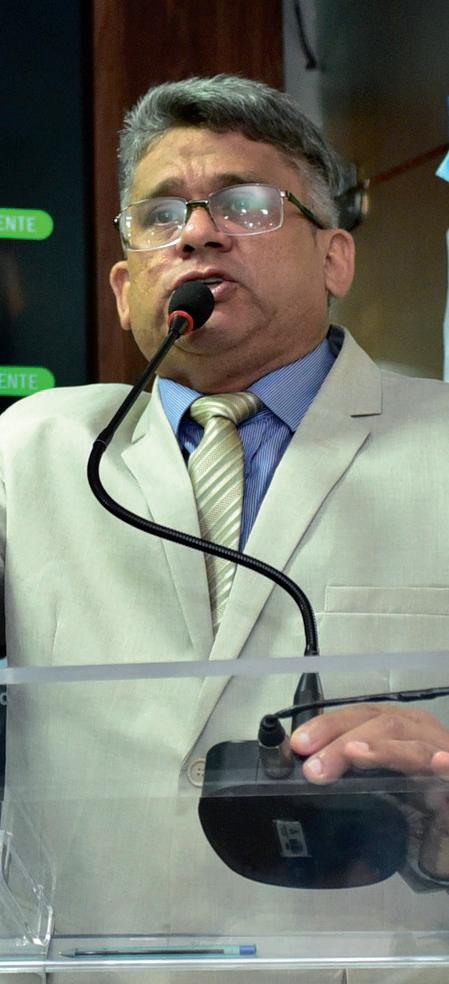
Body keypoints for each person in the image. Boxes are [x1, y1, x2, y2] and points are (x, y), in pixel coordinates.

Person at [1, 74, 449, 983]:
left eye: (246, 205)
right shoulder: (28, 448)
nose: (198, 233)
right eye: (161, 215)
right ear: (125, 285)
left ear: (334, 259)